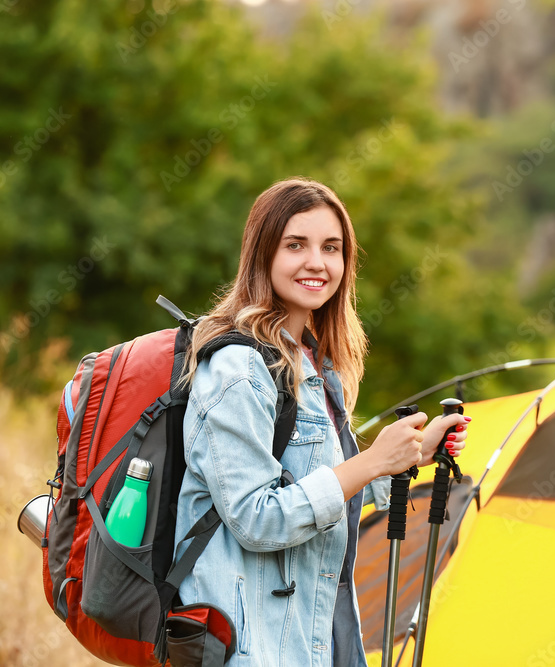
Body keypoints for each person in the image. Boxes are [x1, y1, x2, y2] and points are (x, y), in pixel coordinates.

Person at [174, 177, 470, 666]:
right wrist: (372, 460)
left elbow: (323, 487)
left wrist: (408, 455)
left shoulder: (313, 362)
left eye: (331, 248)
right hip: (253, 646)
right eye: (296, 245)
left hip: (314, 635)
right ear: (262, 253)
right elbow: (257, 518)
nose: (317, 262)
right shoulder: (240, 368)